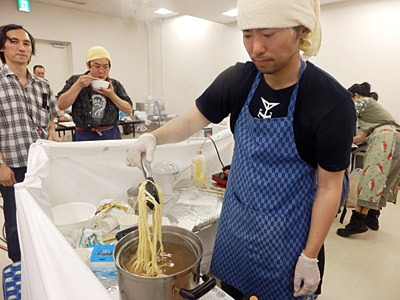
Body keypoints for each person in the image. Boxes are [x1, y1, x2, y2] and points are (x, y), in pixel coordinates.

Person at [126, 0, 356, 298]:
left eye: (268, 34)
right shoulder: (239, 80)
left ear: (302, 31)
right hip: (235, 229)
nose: (256, 47)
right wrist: (153, 137)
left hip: (287, 242)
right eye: (247, 34)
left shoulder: (329, 101)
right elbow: (191, 121)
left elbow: (329, 188)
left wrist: (310, 256)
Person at [0, 24, 61, 262]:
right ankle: (20, 264)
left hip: (42, 162)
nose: (21, 48)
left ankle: (46, 259)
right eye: (14, 41)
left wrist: (53, 132)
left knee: (45, 213)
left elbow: (51, 116)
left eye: (26, 43)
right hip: (12, 165)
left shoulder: (42, 85)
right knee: (15, 219)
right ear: (2, 47)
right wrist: (1, 164)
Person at [337, 82, 400, 237]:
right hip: (397, 137)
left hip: (385, 138)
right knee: (386, 181)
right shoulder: (375, 115)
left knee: (372, 177)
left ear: (356, 96)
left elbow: (344, 117)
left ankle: (357, 222)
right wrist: (346, 141)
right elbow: (360, 138)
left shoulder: (361, 101)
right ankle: (372, 218)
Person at [57, 46, 132, 141]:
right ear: (88, 65)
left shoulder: (114, 84)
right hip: (83, 134)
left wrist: (112, 95)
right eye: (97, 66)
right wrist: (78, 86)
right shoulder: (76, 80)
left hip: (110, 134)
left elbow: (128, 109)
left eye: (106, 67)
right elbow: (61, 105)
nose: (101, 71)